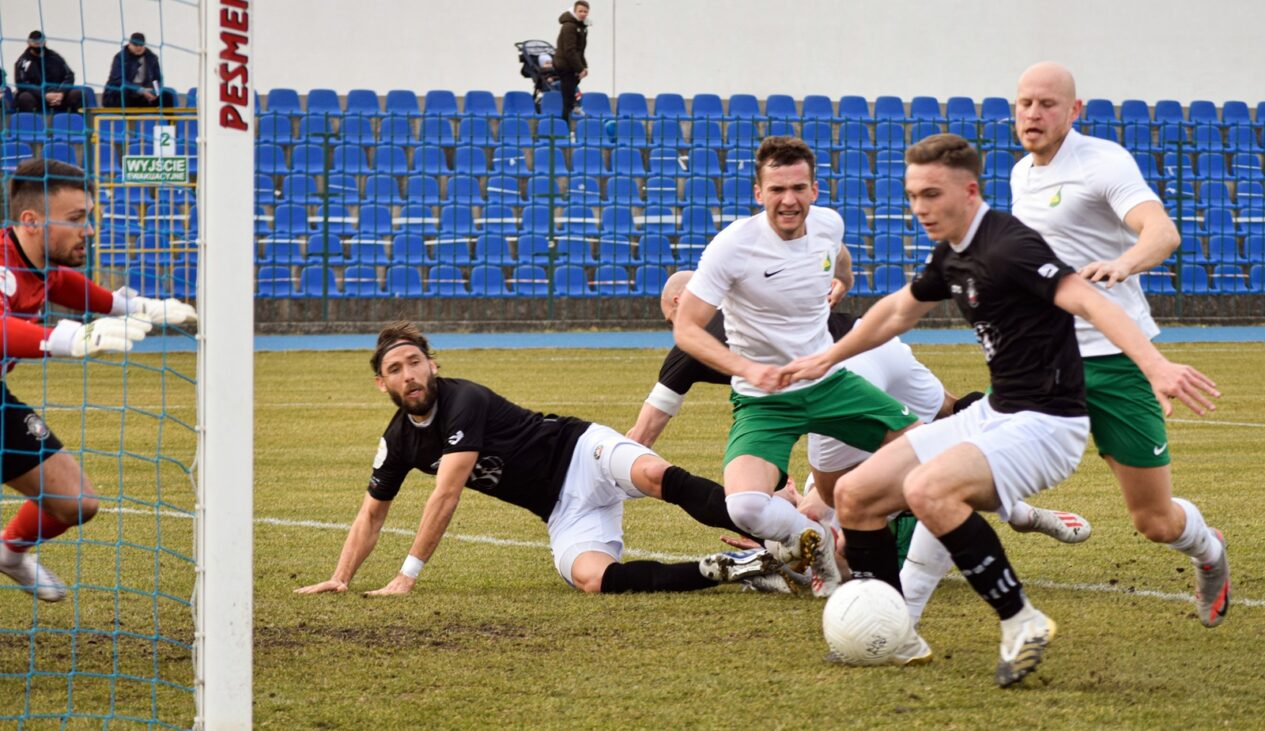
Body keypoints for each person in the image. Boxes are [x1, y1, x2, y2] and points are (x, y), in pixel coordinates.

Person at [779, 133, 1218, 687]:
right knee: (856, 494)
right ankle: (895, 633)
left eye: (931, 194)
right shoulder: (954, 252)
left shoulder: (1009, 246)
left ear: (969, 190)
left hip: (1047, 424)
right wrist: (829, 357)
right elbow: (896, 311)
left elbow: (1085, 297)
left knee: (929, 490)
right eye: (913, 195)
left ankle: (1021, 620)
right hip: (998, 411)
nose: (919, 208)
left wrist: (1155, 366)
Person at [897, 63, 1232, 632]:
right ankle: (901, 616)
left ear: (1075, 111)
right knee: (948, 477)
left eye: (1048, 104)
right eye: (1025, 103)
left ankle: (1208, 552)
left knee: (1153, 519)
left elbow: (1162, 232)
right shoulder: (1020, 174)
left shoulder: (1103, 162)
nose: (1033, 114)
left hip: (1114, 361)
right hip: (1039, 367)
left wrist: (1123, 263)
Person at [295, 321, 786, 598]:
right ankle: (733, 567)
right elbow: (371, 513)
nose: (410, 375)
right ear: (383, 383)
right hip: (563, 510)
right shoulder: (398, 441)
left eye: (415, 362)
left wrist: (407, 576)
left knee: (655, 474)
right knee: (593, 579)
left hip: (579, 450)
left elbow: (446, 494)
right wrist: (341, 578)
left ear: (433, 364)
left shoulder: (463, 400)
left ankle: (784, 535)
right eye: (395, 370)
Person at [673, 136, 922, 599]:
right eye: (777, 189)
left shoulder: (828, 224)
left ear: (815, 189)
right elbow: (686, 329)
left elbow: (839, 257)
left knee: (928, 453)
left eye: (798, 188)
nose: (789, 200)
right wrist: (747, 366)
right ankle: (818, 542)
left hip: (830, 384)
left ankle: (890, 548)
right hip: (763, 400)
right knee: (746, 505)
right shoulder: (732, 247)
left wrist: (842, 283)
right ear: (758, 193)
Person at [0, 158, 197, 602]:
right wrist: (71, 337)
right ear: (30, 220)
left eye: (88, 217)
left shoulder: (38, 265)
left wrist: (137, 307)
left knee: (77, 503)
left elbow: (64, 285)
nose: (88, 230)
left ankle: (9, 553)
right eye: (76, 219)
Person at [14, 30, 84, 114]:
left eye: (40, 42)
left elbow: (69, 76)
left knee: (76, 94)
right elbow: (21, 84)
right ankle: (31, 125)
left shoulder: (55, 57)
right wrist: (44, 95)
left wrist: (61, 93)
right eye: (35, 43)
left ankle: (76, 124)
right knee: (25, 98)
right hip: (37, 98)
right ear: (29, 43)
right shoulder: (22, 62)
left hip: (58, 96)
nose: (38, 45)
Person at [103, 32, 177, 110]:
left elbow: (157, 79)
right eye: (135, 45)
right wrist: (139, 90)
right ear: (129, 44)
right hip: (122, 94)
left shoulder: (152, 58)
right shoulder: (120, 58)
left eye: (141, 45)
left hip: (144, 95)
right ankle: (126, 121)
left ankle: (169, 122)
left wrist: (155, 92)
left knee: (167, 96)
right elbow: (118, 80)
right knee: (125, 93)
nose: (138, 48)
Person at [554, 1, 589, 123]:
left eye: (585, 11)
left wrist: (583, 67)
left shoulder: (582, 27)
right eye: (580, 11)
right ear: (575, 11)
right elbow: (570, 51)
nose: (583, 14)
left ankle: (566, 127)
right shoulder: (569, 26)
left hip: (572, 66)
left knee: (570, 99)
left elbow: (580, 50)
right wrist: (580, 68)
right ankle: (565, 129)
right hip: (565, 66)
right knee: (568, 100)